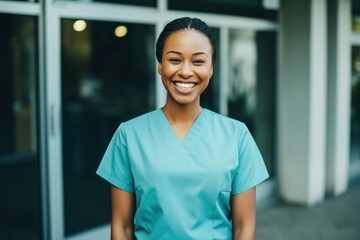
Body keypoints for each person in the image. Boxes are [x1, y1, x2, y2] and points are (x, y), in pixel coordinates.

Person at [96, 17, 269, 240]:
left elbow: (244, 228)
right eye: (175, 60)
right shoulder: (128, 135)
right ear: (160, 66)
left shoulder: (237, 135)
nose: (186, 72)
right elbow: (122, 226)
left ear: (211, 68)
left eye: (198, 61)